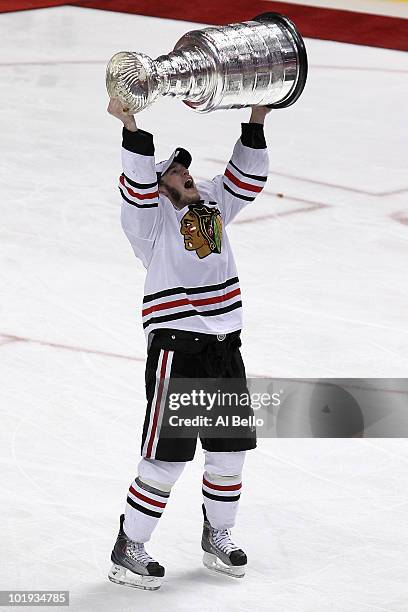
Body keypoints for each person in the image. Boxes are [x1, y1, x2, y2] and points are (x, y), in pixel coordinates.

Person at [107, 97, 270, 590]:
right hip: (178, 347)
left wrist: (258, 115)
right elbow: (136, 187)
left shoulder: (215, 201)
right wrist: (131, 125)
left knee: (229, 453)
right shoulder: (150, 223)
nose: (186, 174)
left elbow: (248, 175)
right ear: (160, 189)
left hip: (224, 346)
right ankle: (128, 546)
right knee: (168, 458)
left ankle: (217, 536)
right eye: (175, 173)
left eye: (186, 169)